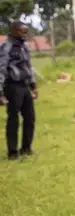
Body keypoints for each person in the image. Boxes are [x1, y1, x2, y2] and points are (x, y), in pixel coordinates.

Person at [0, 21, 38, 160]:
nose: (25, 34)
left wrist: (33, 85)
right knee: (13, 119)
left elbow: (29, 66)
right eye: (22, 31)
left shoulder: (24, 46)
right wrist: (0, 92)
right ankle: (12, 152)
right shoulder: (6, 47)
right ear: (14, 31)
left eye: (26, 31)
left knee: (30, 117)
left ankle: (26, 148)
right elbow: (1, 69)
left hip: (25, 85)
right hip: (12, 86)